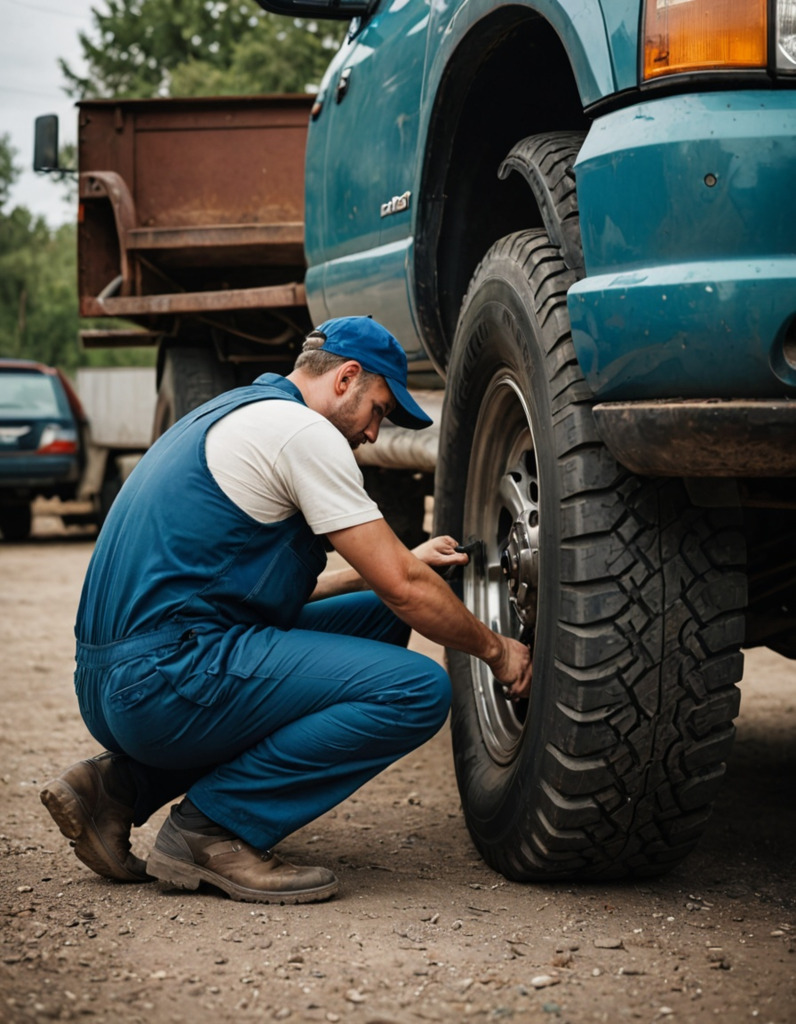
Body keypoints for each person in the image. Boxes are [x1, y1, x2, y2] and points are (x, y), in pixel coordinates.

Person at [41, 316, 533, 904]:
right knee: (416, 691)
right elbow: (405, 587)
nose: (375, 433)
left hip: (118, 679)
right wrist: (498, 651)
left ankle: (117, 787)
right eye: (378, 409)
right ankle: (213, 830)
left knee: (378, 611)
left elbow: (323, 590)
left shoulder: (239, 413)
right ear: (346, 378)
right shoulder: (305, 434)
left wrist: (399, 565)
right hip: (161, 681)